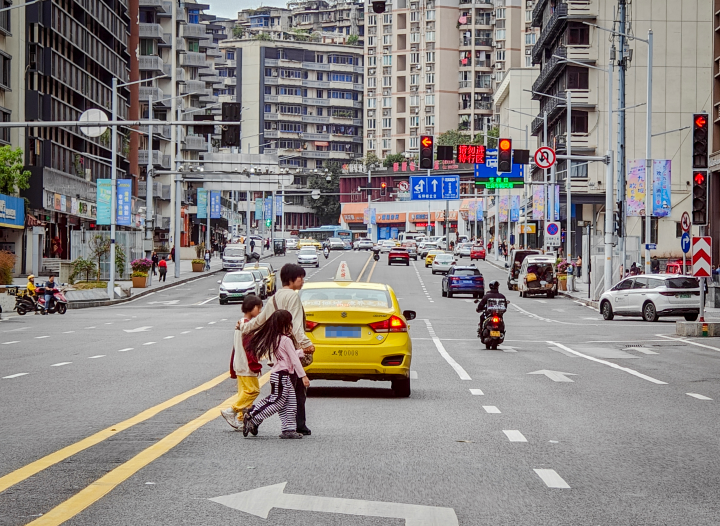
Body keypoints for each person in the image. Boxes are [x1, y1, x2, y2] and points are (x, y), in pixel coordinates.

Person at [238, 263, 315, 436]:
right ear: (291, 279)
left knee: (285, 396)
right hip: (290, 351)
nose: (302, 281)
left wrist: (243, 327)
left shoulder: (274, 297)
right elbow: (295, 324)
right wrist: (306, 344)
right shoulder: (292, 297)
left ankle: (289, 427)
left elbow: (260, 320)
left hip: (277, 353)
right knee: (286, 396)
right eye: (300, 277)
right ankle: (260, 417)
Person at [242, 310, 309, 439]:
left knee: (290, 402)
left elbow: (289, 355)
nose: (291, 326)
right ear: (284, 324)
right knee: (277, 402)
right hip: (282, 375)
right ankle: (253, 416)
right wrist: (303, 376)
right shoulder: (286, 340)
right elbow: (294, 360)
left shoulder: (276, 338)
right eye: (289, 323)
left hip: (280, 375)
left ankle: (288, 429)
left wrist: (301, 352)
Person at [221, 295, 264, 430]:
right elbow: (249, 348)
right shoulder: (247, 326)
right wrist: (255, 365)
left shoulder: (240, 322)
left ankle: (240, 419)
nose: (260, 311)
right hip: (246, 364)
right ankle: (231, 411)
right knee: (253, 391)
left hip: (239, 363)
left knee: (243, 392)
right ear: (251, 307)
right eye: (259, 308)